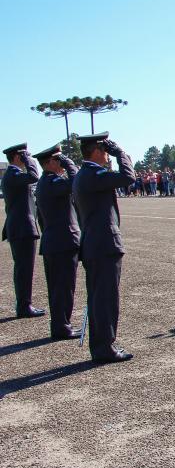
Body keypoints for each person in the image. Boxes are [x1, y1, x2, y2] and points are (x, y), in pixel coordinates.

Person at [72, 132, 136, 363]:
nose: (108, 154)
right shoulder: (93, 174)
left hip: (95, 243)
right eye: (106, 150)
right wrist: (121, 153)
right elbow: (128, 177)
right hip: (103, 244)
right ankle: (104, 348)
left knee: (100, 297)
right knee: (105, 299)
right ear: (97, 151)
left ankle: (101, 345)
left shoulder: (83, 175)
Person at [34, 144, 81, 339]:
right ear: (50, 162)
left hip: (54, 241)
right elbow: (77, 181)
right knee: (63, 287)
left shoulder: (46, 182)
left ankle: (60, 325)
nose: (61, 163)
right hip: (62, 242)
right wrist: (70, 163)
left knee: (57, 287)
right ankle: (62, 326)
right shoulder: (52, 183)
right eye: (59, 160)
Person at [2, 143, 45, 318]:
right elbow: (34, 176)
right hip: (22, 228)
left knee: (24, 268)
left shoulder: (13, 175)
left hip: (20, 227)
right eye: (25, 155)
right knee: (24, 269)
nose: (29, 157)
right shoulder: (13, 174)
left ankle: (24, 304)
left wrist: (26, 158)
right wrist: (29, 160)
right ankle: (24, 306)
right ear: (18, 157)